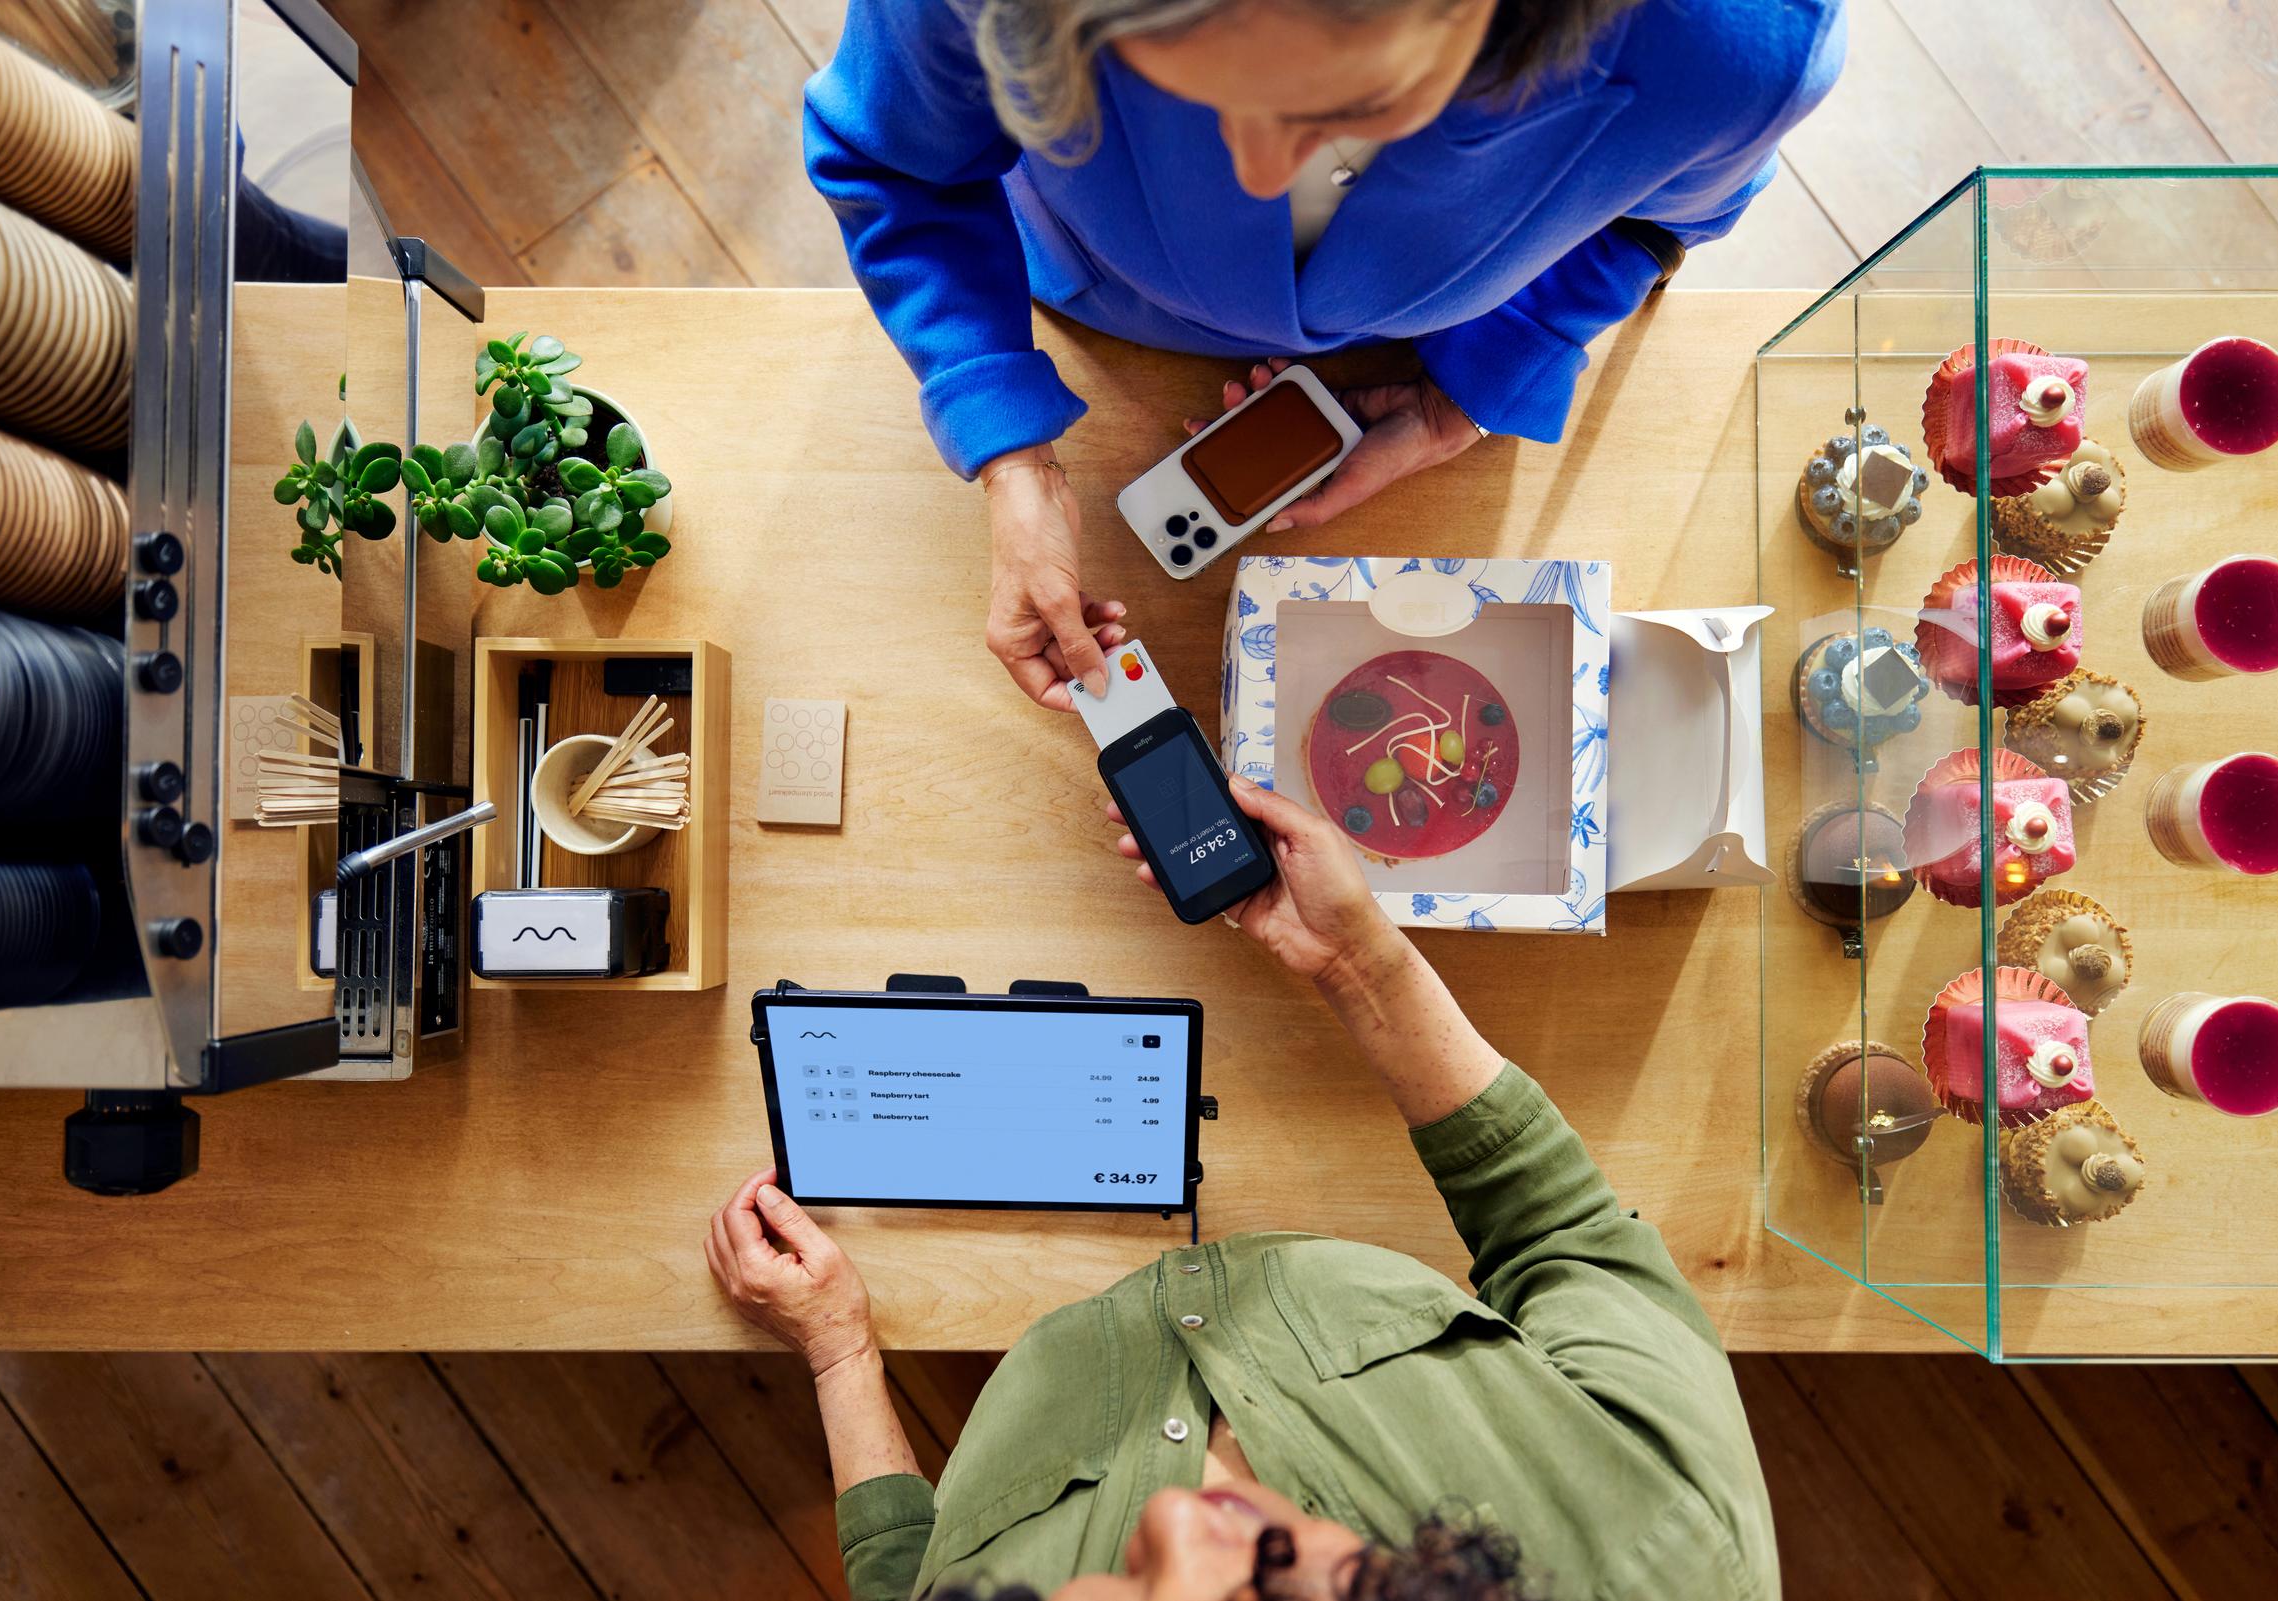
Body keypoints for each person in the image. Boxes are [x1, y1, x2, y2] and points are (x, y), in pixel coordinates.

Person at [707, 779, 1776, 1600]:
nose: (1175, 1522)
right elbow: (1557, 1226)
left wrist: (839, 1346)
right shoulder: (1673, 1549)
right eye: (1279, 1571)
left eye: (1119, 1585)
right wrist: (1357, 961)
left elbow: (908, 1581)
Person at [803, 0, 1843, 709]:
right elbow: (894, 162)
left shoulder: (1735, 56)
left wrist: (1474, 389)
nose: (1257, 173)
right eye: (1191, 96)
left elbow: (1655, 220)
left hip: (1422, 333)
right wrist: (1006, 448)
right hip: (1085, 286)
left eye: (1343, 112)